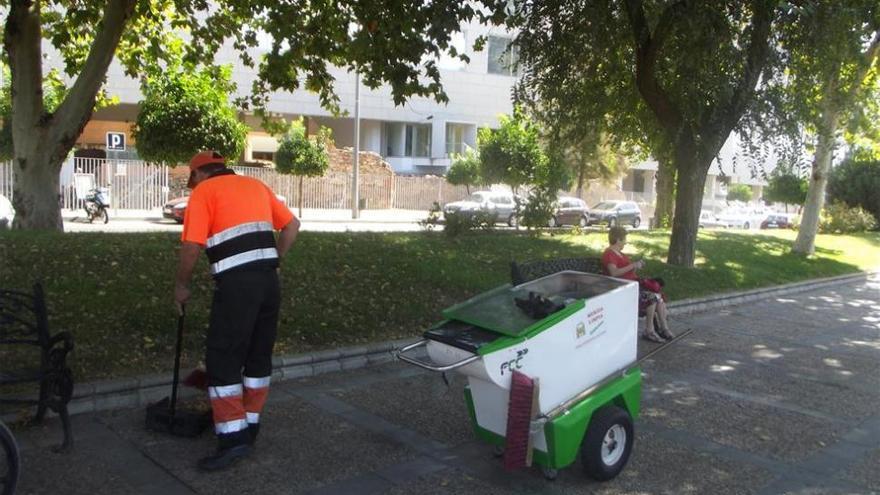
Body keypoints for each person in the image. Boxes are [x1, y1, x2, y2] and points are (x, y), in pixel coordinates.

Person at [173, 150, 300, 471]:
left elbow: (191, 246)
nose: (193, 184)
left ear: (199, 174)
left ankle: (232, 437)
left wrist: (181, 286)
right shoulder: (255, 185)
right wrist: (277, 261)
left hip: (236, 287)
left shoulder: (204, 192)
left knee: (223, 358)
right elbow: (292, 225)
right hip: (269, 282)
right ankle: (250, 424)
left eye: (192, 179)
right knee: (257, 356)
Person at [601, 226, 673, 343]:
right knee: (653, 297)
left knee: (659, 298)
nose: (626, 242)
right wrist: (633, 265)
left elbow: (626, 270)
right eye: (624, 239)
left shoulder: (620, 254)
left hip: (633, 286)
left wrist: (636, 265)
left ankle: (664, 328)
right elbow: (613, 273)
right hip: (623, 289)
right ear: (618, 240)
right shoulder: (609, 254)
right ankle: (649, 331)